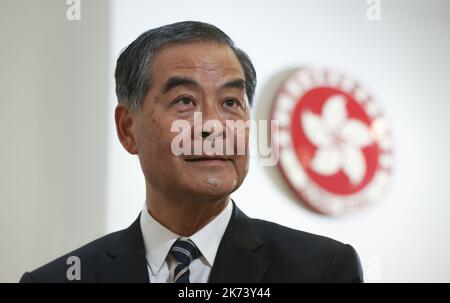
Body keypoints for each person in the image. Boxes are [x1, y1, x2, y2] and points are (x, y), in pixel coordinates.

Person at [20, 21, 363, 283]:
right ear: (128, 128)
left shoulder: (322, 269)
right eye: (185, 101)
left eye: (231, 102)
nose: (213, 125)